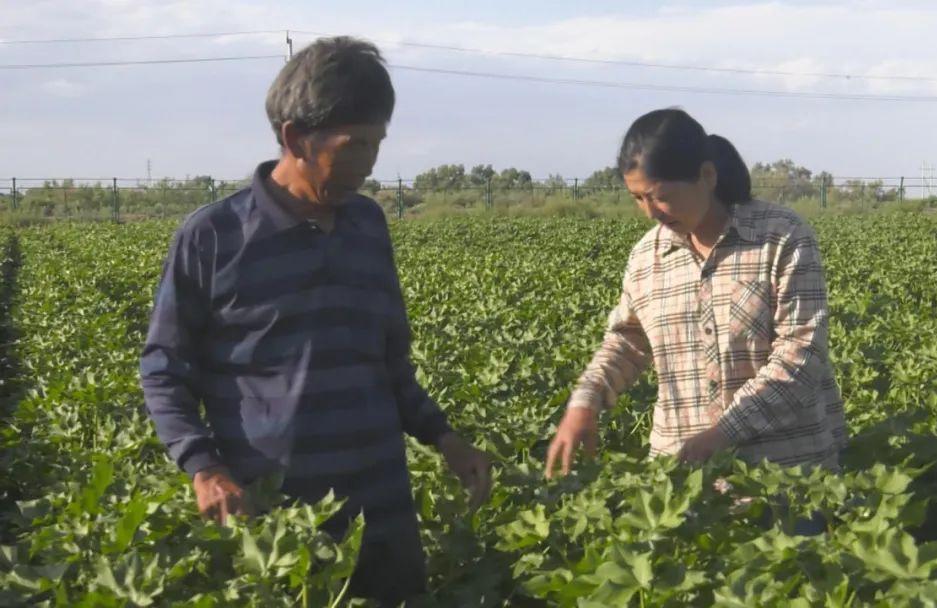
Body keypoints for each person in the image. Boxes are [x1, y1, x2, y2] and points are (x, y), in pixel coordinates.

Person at [140, 36, 491, 604]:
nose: (370, 162)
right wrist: (204, 467)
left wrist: (444, 438)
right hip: (277, 521)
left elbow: (388, 363)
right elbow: (163, 368)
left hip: (382, 512)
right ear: (295, 138)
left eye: (377, 143)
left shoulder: (368, 226)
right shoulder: (213, 237)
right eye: (354, 145)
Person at [545, 108, 847, 532]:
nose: (650, 211)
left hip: (786, 482)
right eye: (638, 198)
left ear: (706, 176)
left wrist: (724, 432)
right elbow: (629, 342)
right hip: (683, 490)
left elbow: (802, 354)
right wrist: (586, 401)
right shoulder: (647, 258)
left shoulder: (781, 238)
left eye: (660, 196)